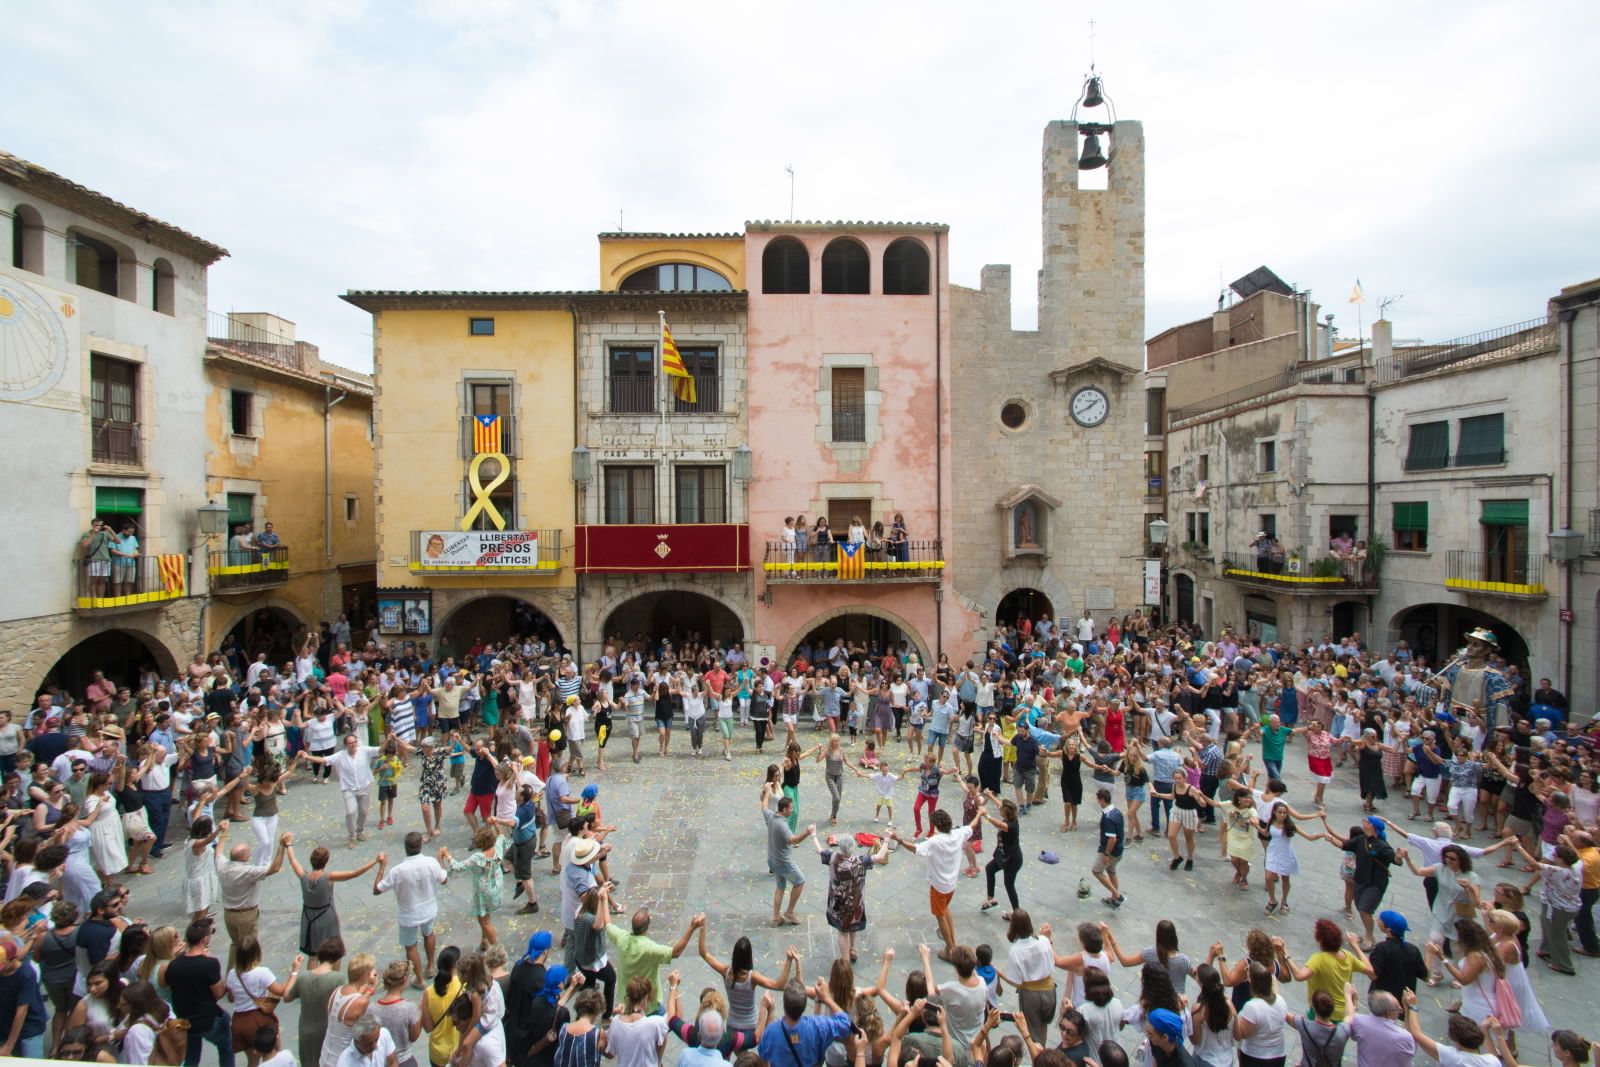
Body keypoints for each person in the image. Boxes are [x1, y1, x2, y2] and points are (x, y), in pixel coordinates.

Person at [889, 806, 982, 960]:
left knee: (940, 915)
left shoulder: (935, 841)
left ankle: (951, 949)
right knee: (945, 909)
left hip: (939, 884)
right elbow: (972, 825)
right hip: (951, 882)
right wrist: (980, 813)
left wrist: (898, 839)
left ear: (937, 826)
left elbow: (916, 849)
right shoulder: (958, 834)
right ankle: (953, 942)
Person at [373, 832, 449, 984]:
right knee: (428, 933)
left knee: (410, 945)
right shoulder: (430, 862)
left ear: (405, 848)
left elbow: (377, 890)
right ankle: (431, 965)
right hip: (428, 908)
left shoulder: (397, 870)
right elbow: (443, 879)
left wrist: (381, 867)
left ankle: (420, 979)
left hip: (408, 913)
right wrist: (441, 860)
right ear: (420, 845)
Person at [215, 824, 292, 970]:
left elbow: (218, 852)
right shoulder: (247, 872)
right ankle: (248, 976)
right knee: (249, 947)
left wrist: (223, 833)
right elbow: (274, 868)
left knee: (235, 945)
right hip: (246, 915)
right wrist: (282, 847)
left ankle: (231, 975)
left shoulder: (223, 866)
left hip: (228, 914)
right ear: (244, 857)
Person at [284, 844, 380, 959]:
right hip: (327, 917)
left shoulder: (303, 876)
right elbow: (355, 873)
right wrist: (375, 860)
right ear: (326, 862)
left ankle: (313, 975)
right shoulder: (328, 877)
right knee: (334, 954)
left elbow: (293, 861)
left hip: (309, 918)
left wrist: (288, 845)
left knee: (313, 955)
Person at [164, 919, 232, 1067]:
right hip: (208, 1019)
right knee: (226, 1047)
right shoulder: (209, 963)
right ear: (205, 939)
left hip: (186, 1021)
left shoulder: (173, 965)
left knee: (191, 1058)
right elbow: (219, 993)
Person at [605, 907, 698, 1013]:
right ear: (647, 927)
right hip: (648, 1005)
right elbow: (675, 952)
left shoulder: (621, 938)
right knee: (667, 1023)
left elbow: (608, 924)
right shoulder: (649, 949)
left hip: (626, 1000)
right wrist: (692, 928)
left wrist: (603, 899)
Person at [299, 734, 385, 848]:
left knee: (363, 811)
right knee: (350, 812)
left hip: (364, 786)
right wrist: (308, 757)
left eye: (354, 742)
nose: (353, 745)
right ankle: (352, 836)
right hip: (348, 788)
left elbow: (380, 749)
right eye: (350, 743)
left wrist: (389, 739)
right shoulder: (340, 756)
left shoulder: (364, 751)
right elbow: (324, 760)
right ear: (346, 745)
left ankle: (360, 830)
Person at [815, 836, 891, 963]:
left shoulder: (832, 857)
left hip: (838, 903)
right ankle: (853, 949)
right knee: (853, 923)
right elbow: (880, 856)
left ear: (840, 847)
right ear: (853, 847)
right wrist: (887, 840)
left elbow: (819, 850)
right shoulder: (860, 861)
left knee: (842, 931)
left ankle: (845, 960)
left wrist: (813, 834)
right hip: (855, 903)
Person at [754, 979, 855, 1067]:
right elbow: (845, 1023)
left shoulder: (771, 1032)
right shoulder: (819, 1025)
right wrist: (826, 998)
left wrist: (767, 1011)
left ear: (784, 1004)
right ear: (804, 1005)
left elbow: (763, 1055)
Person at [1400, 990, 1499, 1067]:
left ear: (1454, 1038)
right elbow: (1494, 1057)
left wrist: (1413, 1006)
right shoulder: (1491, 1062)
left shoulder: (1451, 1057)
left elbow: (1417, 1034)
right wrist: (1485, 1031)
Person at [763, 796, 814, 927]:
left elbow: (763, 807)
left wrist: (767, 791)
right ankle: (790, 912)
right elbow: (794, 840)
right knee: (800, 881)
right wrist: (808, 832)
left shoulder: (771, 816)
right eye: (791, 808)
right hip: (783, 863)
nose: (793, 810)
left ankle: (776, 918)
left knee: (780, 887)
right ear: (784, 809)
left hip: (772, 860)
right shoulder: (783, 825)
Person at [1342, 985, 1415, 1067]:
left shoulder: (1359, 1022)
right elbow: (1409, 1039)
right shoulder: (1404, 1037)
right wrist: (1409, 1008)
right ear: (1388, 1014)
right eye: (1399, 1010)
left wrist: (1349, 997)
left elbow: (1350, 1015)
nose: (1400, 1011)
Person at [0, 935, 47, 1059]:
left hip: (29, 1027)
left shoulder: (26, 974)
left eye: (2, 966)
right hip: (5, 1025)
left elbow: (22, 1011)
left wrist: (9, 1045)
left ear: (13, 959)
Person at [1093, 787, 1127, 909]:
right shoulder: (1117, 812)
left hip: (1109, 851)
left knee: (1096, 871)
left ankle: (1116, 894)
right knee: (1111, 871)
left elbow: (1112, 839)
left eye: (1098, 800)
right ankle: (1114, 899)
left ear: (1102, 800)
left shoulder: (1108, 817)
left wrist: (1106, 854)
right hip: (1119, 850)